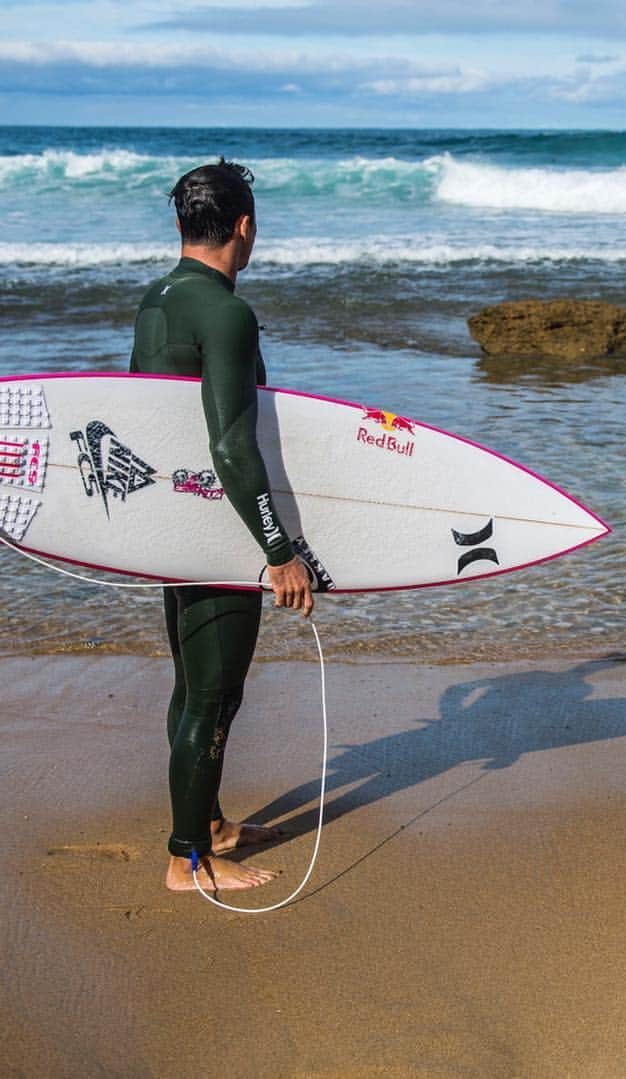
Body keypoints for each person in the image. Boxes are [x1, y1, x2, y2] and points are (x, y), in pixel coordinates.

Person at [130, 159, 314, 892]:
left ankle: (207, 824)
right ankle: (188, 859)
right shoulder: (228, 313)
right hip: (215, 525)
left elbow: (148, 420)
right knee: (213, 694)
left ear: (181, 225)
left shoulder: (157, 299)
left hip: (171, 521)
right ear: (246, 226)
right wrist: (280, 550)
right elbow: (234, 445)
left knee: (193, 685)